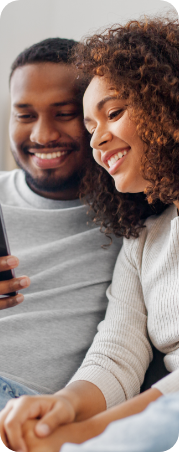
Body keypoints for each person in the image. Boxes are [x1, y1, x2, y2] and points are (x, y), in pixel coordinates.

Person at [1, 15, 179, 452]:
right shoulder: (143, 239)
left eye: (113, 113)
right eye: (91, 127)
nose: (98, 140)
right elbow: (117, 353)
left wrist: (80, 434)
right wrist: (63, 407)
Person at [0, 37, 122, 414]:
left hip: (28, 409)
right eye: (24, 115)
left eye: (64, 113)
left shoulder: (133, 218)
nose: (41, 135)